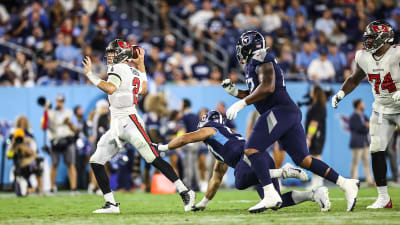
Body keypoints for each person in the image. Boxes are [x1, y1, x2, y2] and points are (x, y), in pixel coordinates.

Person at [222, 30, 359, 212]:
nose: (240, 52)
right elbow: (258, 91)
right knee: (304, 160)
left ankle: (270, 194)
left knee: (251, 149)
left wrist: (242, 103)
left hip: (279, 111)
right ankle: (345, 183)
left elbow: (268, 87)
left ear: (249, 47)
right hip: (286, 112)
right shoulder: (253, 65)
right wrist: (237, 94)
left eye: (242, 48)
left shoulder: (261, 56)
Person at [81, 39, 195, 213]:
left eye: (113, 52)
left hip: (130, 120)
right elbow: (143, 90)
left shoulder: (117, 68)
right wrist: (141, 65)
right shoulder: (132, 70)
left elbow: (111, 88)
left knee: (152, 157)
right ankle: (111, 204)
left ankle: (185, 191)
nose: (109, 56)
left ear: (121, 54)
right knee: (97, 160)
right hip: (119, 122)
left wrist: (90, 74)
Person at [155, 111, 332, 212]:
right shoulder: (218, 145)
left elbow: (186, 138)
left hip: (249, 158)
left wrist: (163, 148)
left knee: (239, 181)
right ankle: (314, 194)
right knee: (276, 203)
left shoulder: (213, 129)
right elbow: (216, 178)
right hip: (259, 159)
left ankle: (283, 172)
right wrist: (203, 203)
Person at [332, 21, 399, 209]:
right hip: (382, 108)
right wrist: (341, 93)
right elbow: (355, 78)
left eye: (371, 38)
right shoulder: (363, 56)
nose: (367, 42)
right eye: (367, 38)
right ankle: (383, 197)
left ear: (384, 38)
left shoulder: (397, 53)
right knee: (376, 149)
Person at [45, 94, 78, 194]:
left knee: (71, 164)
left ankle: (74, 189)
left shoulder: (69, 113)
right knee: (54, 164)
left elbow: (75, 129)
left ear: (64, 102)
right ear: (55, 101)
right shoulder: (50, 113)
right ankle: (52, 188)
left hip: (67, 140)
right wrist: (45, 112)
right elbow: (44, 126)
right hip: (55, 141)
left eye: (61, 101)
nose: (59, 103)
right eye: (58, 101)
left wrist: (69, 123)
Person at [7, 127, 43, 196]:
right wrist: (12, 146)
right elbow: (8, 157)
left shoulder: (28, 141)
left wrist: (23, 147)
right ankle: (33, 189)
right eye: (17, 138)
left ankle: (39, 189)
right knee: (20, 193)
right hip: (18, 169)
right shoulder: (11, 143)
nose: (19, 140)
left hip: (28, 166)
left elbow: (33, 153)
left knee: (38, 167)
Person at [305, 85, 327, 190]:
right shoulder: (318, 106)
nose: (310, 91)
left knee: (316, 159)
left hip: (316, 136)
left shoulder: (317, 107)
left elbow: (314, 123)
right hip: (318, 136)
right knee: (315, 158)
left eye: (312, 90)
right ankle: (317, 182)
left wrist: (309, 137)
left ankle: (318, 182)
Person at [349, 99, 374, 186]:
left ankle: (370, 181)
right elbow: (357, 128)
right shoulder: (353, 117)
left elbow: (370, 127)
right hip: (357, 143)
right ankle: (354, 181)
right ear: (358, 105)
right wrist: (366, 126)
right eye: (362, 103)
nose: (364, 105)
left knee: (367, 162)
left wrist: (366, 126)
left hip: (365, 143)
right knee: (355, 162)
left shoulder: (364, 116)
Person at [180, 98, 201, 189]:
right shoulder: (195, 116)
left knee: (188, 165)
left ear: (184, 105)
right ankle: (196, 185)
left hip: (189, 142)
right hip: (197, 142)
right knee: (194, 165)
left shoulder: (184, 117)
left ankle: (187, 185)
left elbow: (183, 130)